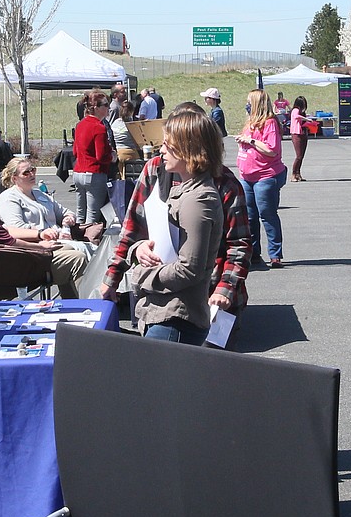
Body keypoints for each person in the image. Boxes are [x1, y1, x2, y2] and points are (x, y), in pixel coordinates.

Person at [101, 101, 251, 340]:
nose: (161, 149)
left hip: (207, 299)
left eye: (169, 144)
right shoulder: (155, 170)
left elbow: (238, 243)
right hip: (163, 298)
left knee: (213, 368)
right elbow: (133, 227)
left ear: (189, 144)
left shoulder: (218, 187)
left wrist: (225, 288)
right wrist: (128, 259)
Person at [0, 161, 86, 298]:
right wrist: (40, 246)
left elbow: (4, 240)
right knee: (78, 258)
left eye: (33, 169)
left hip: (1, 262)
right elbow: (10, 241)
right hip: (14, 268)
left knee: (71, 249)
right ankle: (89, 307)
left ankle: (70, 306)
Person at [235, 89, 287, 268]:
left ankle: (275, 254)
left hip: (265, 176)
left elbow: (272, 150)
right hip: (247, 176)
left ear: (257, 103)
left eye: (249, 101)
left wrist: (250, 141)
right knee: (249, 217)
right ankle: (254, 253)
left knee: (267, 214)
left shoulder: (270, 123)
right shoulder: (250, 122)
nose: (247, 105)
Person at [72, 89, 114, 223]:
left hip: (78, 172)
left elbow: (75, 152)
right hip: (94, 174)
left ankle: (77, 240)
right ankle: (90, 241)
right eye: (106, 105)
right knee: (92, 217)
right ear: (96, 107)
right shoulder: (99, 127)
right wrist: (112, 157)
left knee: (80, 214)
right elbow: (101, 156)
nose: (108, 108)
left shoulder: (80, 125)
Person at [110, 100, 143, 177]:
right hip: (132, 154)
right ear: (132, 111)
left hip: (119, 154)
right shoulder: (132, 125)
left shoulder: (114, 124)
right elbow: (139, 141)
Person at [288, 95, 311, 182]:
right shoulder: (295, 110)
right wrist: (306, 119)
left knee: (302, 156)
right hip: (296, 134)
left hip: (303, 133)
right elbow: (296, 116)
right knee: (298, 156)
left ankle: (298, 173)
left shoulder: (302, 112)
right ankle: (293, 174)